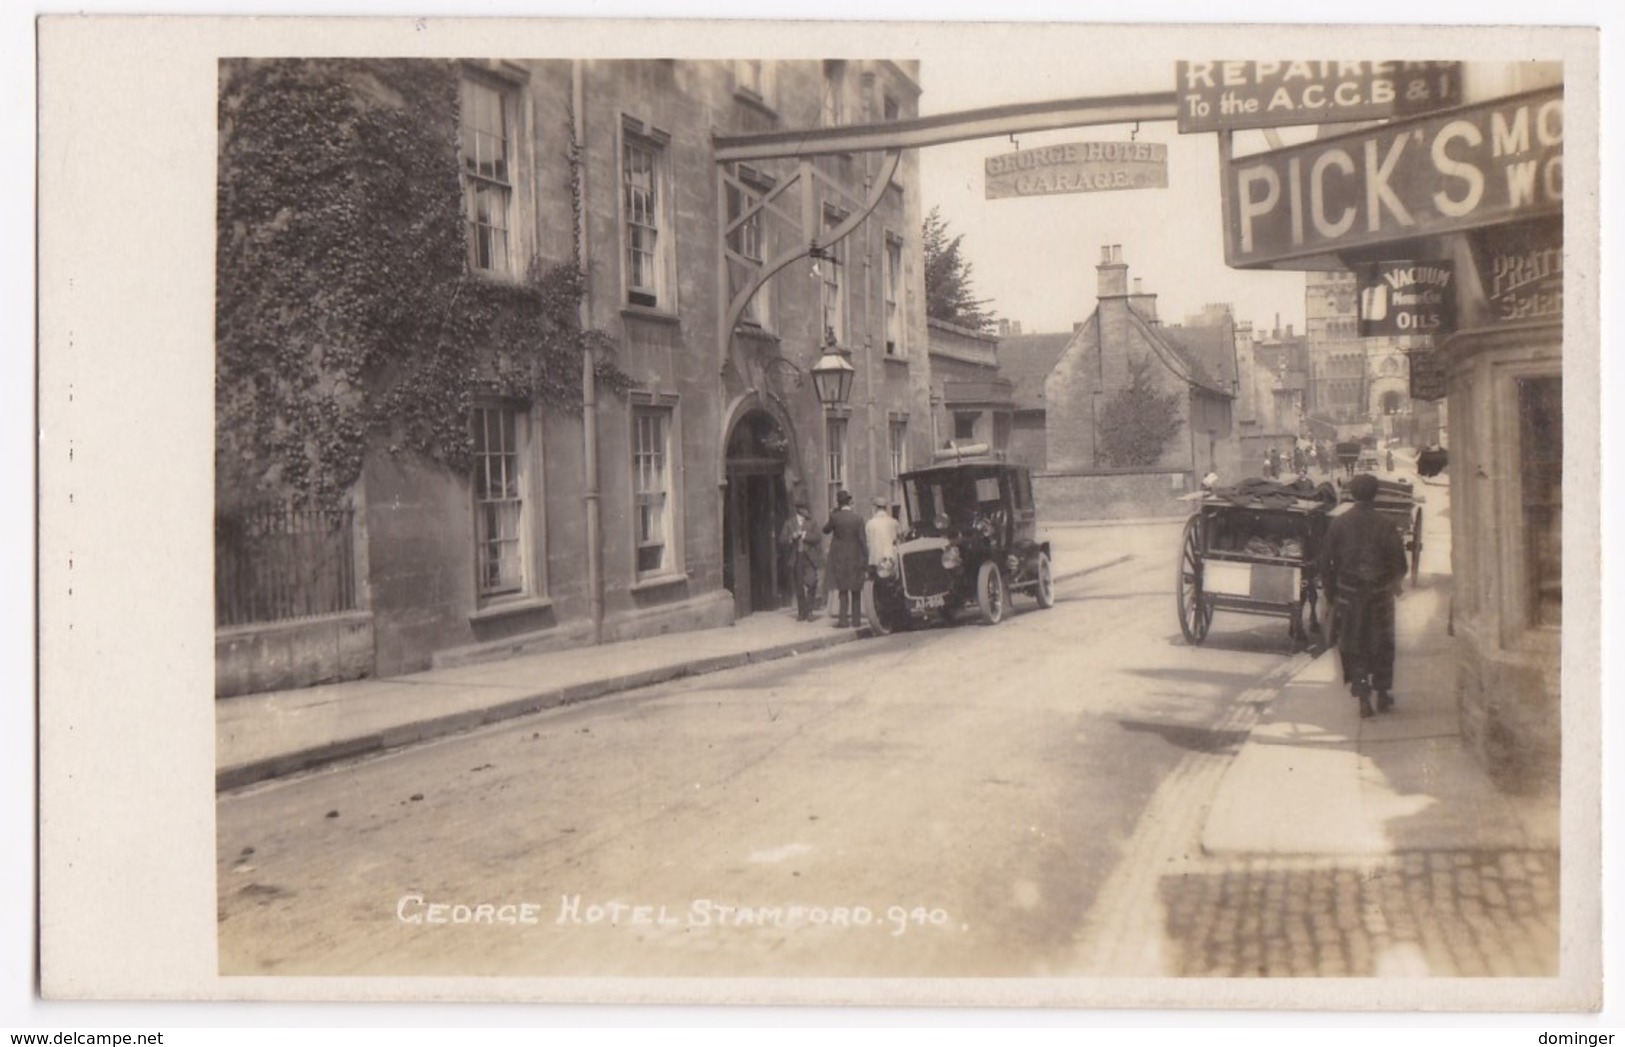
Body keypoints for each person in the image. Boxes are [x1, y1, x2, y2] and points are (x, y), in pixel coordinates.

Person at [1319, 473, 1409, 718]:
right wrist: (1391, 583)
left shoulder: (1339, 524)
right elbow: (1400, 564)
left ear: (1352, 495)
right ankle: (1382, 694)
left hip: (1349, 596)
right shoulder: (1387, 523)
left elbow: (1325, 562)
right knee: (1382, 644)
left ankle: (1362, 696)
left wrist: (1332, 593)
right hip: (1380, 595)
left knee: (1353, 644)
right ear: (1375, 493)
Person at [822, 489, 867, 628]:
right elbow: (862, 541)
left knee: (843, 590)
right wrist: (865, 558)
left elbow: (825, 530)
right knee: (855, 590)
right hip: (855, 557)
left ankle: (843, 620)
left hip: (840, 558)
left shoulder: (835, 517)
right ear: (849, 502)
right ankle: (856, 621)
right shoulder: (858, 518)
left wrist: (834, 514)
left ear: (839, 503)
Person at [779, 501, 821, 621]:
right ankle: (802, 611)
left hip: (809, 557)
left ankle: (810, 609)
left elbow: (818, 537)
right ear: (799, 510)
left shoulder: (812, 522)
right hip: (796, 557)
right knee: (798, 586)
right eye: (804, 509)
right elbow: (782, 540)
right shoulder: (789, 523)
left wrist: (804, 535)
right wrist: (791, 537)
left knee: (812, 582)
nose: (807, 511)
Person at [866, 496, 900, 574]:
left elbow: (868, 543)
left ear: (875, 508)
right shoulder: (893, 522)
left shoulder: (870, 524)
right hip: (891, 559)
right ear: (886, 508)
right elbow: (898, 540)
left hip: (875, 561)